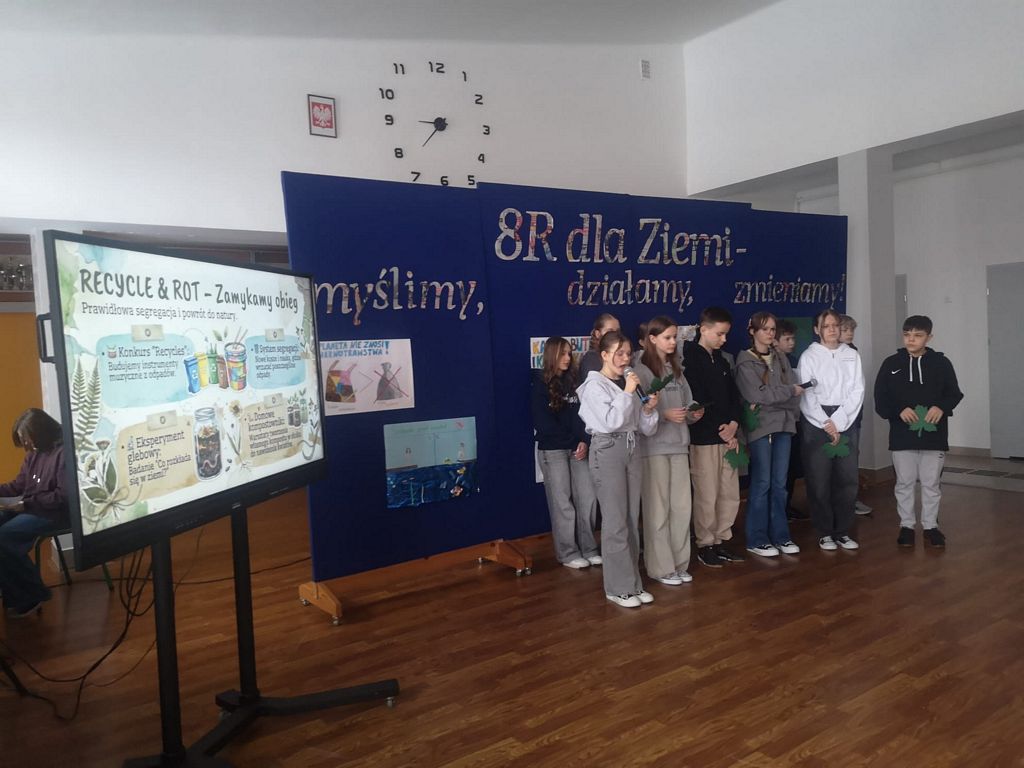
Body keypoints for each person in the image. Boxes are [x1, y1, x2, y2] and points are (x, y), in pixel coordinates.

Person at [577, 331, 659, 608]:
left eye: (628, 354)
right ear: (604, 355)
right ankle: (617, 587)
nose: (625, 359)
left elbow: (645, 428)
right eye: (619, 354)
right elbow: (610, 421)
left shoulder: (628, 384)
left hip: (631, 447)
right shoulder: (594, 385)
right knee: (615, 521)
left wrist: (648, 410)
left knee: (631, 517)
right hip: (607, 449)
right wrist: (627, 393)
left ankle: (633, 582)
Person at [873, 315, 963, 548]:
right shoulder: (891, 364)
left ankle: (931, 526)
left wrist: (941, 407)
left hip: (934, 436)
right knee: (904, 482)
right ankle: (907, 526)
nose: (911, 339)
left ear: (929, 337)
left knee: (931, 483)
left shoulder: (941, 363)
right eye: (907, 335)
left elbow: (954, 393)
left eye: (917, 335)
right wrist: (898, 410)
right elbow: (880, 399)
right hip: (902, 436)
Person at [633, 316, 704, 586]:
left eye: (675, 337)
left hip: (679, 445)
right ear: (652, 339)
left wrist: (694, 412)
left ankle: (679, 563)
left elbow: (688, 401)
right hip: (654, 448)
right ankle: (661, 568)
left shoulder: (676, 369)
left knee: (682, 508)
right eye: (667, 337)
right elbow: (638, 412)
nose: (673, 342)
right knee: (658, 510)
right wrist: (664, 415)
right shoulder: (641, 371)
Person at [734, 312, 804, 557]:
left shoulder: (780, 357)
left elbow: (794, 391)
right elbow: (757, 395)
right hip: (761, 428)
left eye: (773, 329)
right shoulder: (745, 361)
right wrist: (787, 392)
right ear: (752, 331)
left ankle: (781, 535)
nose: (770, 333)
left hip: (784, 424)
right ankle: (757, 538)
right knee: (762, 482)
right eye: (764, 329)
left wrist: (782, 395)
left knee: (780, 483)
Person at [797, 309, 865, 552]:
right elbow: (807, 393)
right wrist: (826, 422)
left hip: (846, 419)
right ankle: (825, 532)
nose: (832, 330)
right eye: (826, 326)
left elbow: (857, 389)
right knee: (819, 479)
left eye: (835, 325)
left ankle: (843, 531)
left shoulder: (851, 355)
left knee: (847, 479)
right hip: (817, 422)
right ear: (817, 330)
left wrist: (839, 420)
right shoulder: (809, 356)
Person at [683, 307, 745, 568]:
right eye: (719, 334)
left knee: (729, 492)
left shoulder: (721, 361)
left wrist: (733, 425)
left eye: (726, 334)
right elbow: (697, 402)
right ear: (704, 329)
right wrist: (722, 429)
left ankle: (721, 540)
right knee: (707, 495)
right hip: (705, 437)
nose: (724, 339)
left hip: (727, 437)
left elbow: (733, 397)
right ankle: (705, 543)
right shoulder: (690, 360)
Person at [532, 337, 601, 570]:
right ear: (551, 355)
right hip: (554, 450)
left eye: (570, 353)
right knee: (562, 502)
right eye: (562, 354)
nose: (567, 358)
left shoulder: (573, 381)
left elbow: (584, 414)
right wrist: (574, 442)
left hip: (577, 447)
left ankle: (589, 548)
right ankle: (568, 552)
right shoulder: (540, 384)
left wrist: (584, 441)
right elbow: (544, 424)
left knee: (587, 498)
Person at [0, 408, 69, 618]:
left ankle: (31, 595)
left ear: (40, 432)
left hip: (54, 513)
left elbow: (62, 497)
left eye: (26, 439)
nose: (25, 446)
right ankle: (12, 589)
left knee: (4, 537)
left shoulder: (65, 454)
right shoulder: (33, 455)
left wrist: (26, 504)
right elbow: (18, 485)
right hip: (31, 507)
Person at [840, 315, 873, 516]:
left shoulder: (853, 352)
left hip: (854, 416)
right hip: (834, 417)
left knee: (851, 459)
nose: (850, 333)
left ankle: (850, 500)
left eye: (852, 330)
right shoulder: (827, 354)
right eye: (845, 330)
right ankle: (839, 500)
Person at [775, 319, 808, 522]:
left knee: (793, 467)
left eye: (793, 338)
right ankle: (778, 509)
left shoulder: (794, 360)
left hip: (796, 419)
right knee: (780, 469)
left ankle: (787, 505)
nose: (792, 343)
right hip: (778, 421)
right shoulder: (770, 362)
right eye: (787, 339)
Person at [578, 313, 620, 380]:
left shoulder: (623, 356)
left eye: (617, 331)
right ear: (597, 334)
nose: (615, 335)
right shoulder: (591, 359)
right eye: (610, 331)